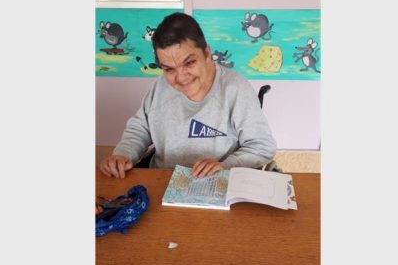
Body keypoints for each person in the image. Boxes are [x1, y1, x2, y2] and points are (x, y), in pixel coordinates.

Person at [99, 12, 277, 179]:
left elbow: (262, 147)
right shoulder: (160, 86)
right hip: (162, 180)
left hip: (216, 183)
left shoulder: (235, 89)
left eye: (189, 63)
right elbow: (140, 129)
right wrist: (123, 154)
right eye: (169, 69)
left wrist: (224, 166)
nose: (181, 78)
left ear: (207, 53)